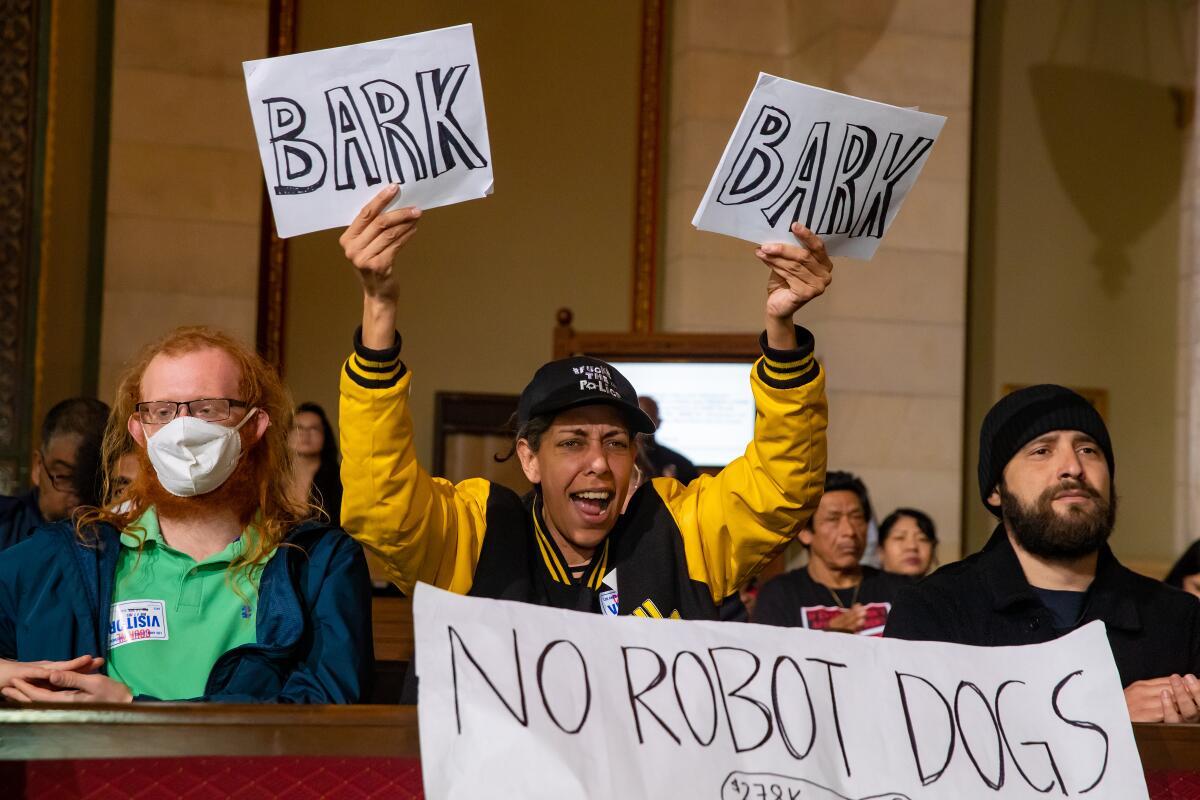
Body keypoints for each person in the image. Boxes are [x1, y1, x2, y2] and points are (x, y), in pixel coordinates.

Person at [338, 183, 831, 621]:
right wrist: (378, 307)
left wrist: (782, 331)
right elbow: (384, 507)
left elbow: (782, 487)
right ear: (529, 457)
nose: (598, 462)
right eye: (573, 442)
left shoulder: (680, 532)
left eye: (615, 442)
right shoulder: (475, 534)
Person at [0, 327, 372, 704]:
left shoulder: (317, 564)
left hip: (241, 766)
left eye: (208, 409)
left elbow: (323, 713)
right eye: (162, 412)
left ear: (255, 426)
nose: (182, 429)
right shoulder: (71, 554)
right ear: (139, 431)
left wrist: (131, 712)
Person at [885, 384, 1200, 723]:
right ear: (995, 490)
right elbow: (914, 752)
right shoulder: (936, 611)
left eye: (1089, 450)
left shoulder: (1178, 619)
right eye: (1042, 451)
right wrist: (1102, 716)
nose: (1073, 468)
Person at [753, 471, 910, 635]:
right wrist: (829, 637)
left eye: (856, 517)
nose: (849, 531)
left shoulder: (899, 590)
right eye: (833, 519)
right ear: (805, 532)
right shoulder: (780, 595)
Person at [0, 397, 109, 551]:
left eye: (91, 480)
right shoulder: (5, 523)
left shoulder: (117, 540)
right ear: (38, 467)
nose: (79, 495)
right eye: (65, 477)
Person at [288, 401, 343, 526]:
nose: (305, 434)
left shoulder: (339, 479)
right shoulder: (271, 479)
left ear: (325, 435)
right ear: (287, 434)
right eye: (298, 427)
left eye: (314, 428)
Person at [636, 396, 700, 485]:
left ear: (658, 422)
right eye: (637, 418)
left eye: (647, 418)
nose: (641, 424)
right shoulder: (618, 460)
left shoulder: (682, 466)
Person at [877, 507, 938, 577]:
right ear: (880, 550)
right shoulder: (865, 586)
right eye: (899, 538)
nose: (912, 546)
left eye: (922, 539)